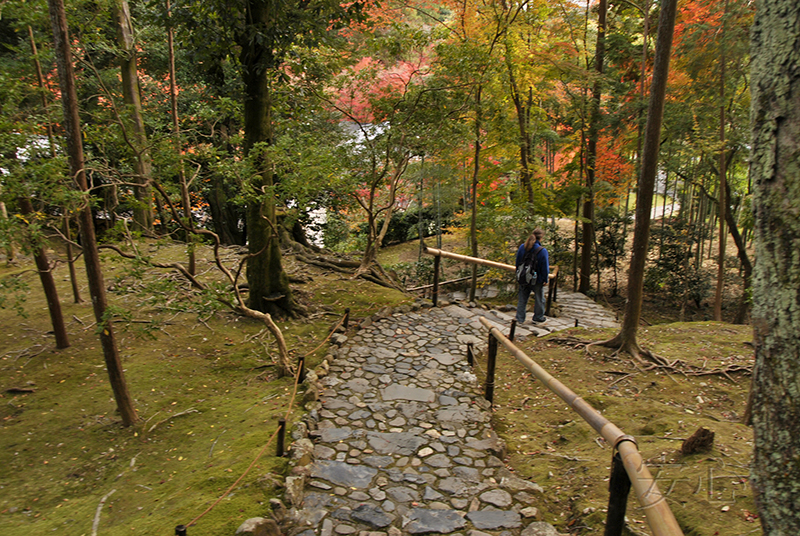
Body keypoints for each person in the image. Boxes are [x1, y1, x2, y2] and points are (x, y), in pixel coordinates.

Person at [515, 228, 549, 324]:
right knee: (539, 299)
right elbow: (544, 267)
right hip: (536, 279)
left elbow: (518, 262)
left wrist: (519, 274)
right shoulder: (542, 251)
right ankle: (538, 317)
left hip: (523, 277)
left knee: (522, 298)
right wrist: (545, 279)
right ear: (541, 238)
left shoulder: (523, 247)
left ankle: (519, 318)